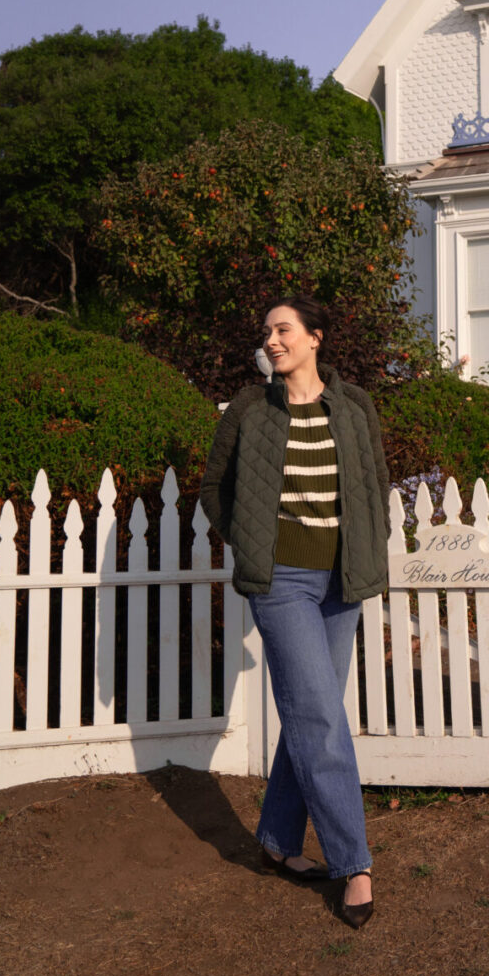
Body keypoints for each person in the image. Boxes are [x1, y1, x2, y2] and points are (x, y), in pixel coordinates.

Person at [200, 295, 389, 930]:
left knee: (315, 716)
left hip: (342, 576)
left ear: (315, 337)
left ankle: (278, 840)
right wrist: (251, 543)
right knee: (318, 716)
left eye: (284, 330)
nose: (272, 340)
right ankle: (353, 865)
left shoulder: (355, 405)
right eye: (267, 332)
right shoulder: (252, 409)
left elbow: (375, 485)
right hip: (281, 581)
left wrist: (369, 547)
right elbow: (213, 486)